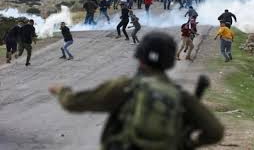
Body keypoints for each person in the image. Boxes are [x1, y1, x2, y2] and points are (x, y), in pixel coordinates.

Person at [49, 32, 224, 150]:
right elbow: (215, 131)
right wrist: (186, 143)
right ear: (169, 61)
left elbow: (73, 103)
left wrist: (62, 90)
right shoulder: (181, 96)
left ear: (140, 56)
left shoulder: (124, 87)